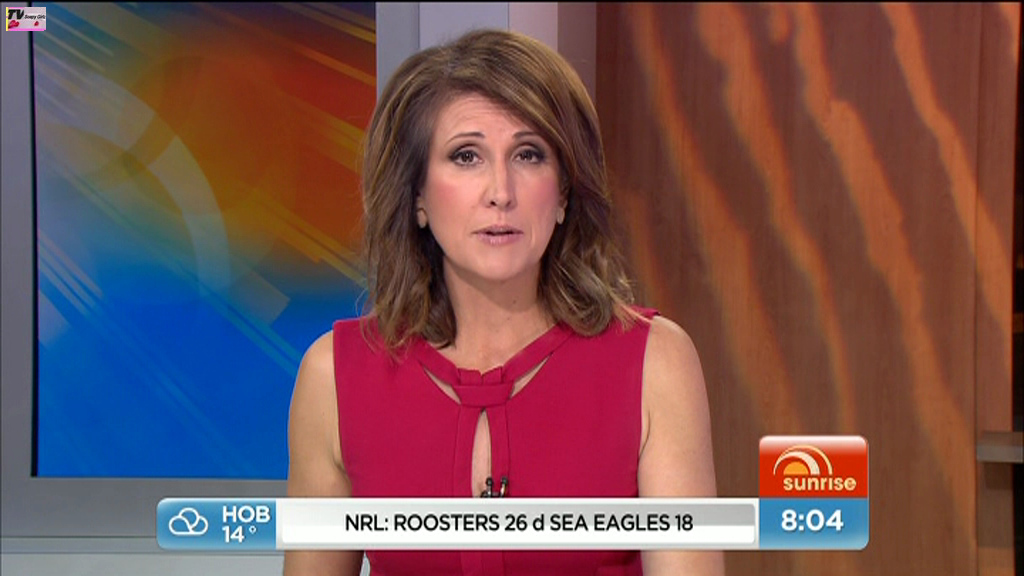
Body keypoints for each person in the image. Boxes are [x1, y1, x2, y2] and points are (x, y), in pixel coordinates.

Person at [284, 28, 722, 576]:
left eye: (529, 154)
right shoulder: (334, 377)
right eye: (466, 156)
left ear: (563, 193)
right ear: (417, 196)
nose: (501, 192)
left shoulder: (655, 363)